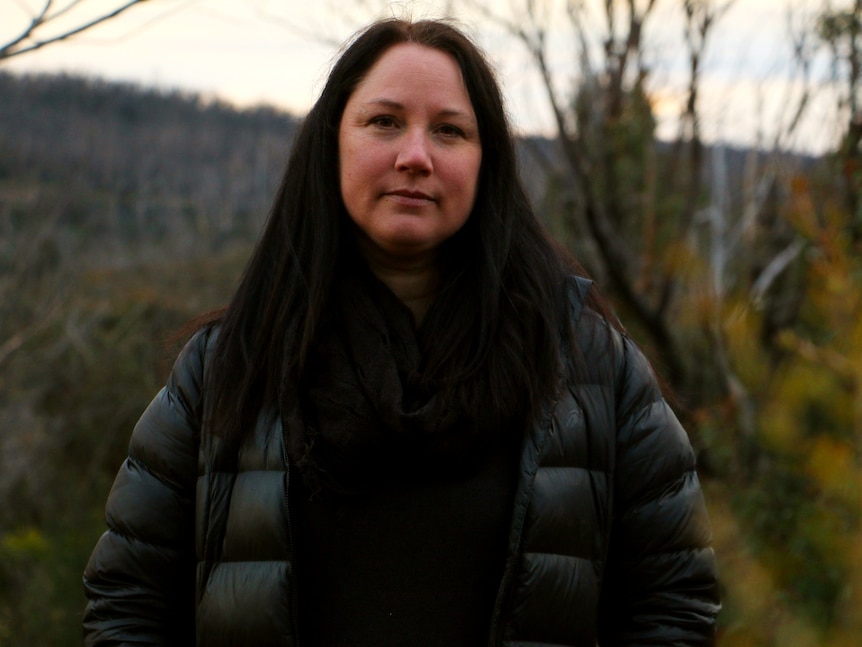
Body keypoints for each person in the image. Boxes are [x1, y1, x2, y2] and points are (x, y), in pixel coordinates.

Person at [83, 17, 720, 647]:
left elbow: (675, 598)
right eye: (384, 122)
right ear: (332, 142)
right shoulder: (228, 367)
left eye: (449, 131)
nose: (415, 156)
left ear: (486, 162)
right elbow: (128, 603)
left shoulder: (586, 364)